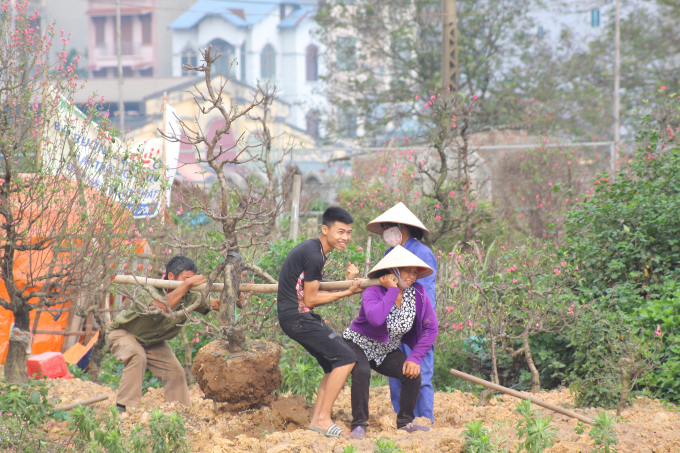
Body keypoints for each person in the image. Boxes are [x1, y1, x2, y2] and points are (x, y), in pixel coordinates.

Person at [277, 206, 364, 438]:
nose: (345, 237)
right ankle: (324, 419)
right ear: (325, 229)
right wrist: (349, 292)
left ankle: (317, 420)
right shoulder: (315, 254)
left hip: (297, 316)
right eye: (340, 231)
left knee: (332, 363)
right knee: (346, 358)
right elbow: (311, 298)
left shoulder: (315, 250)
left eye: (348, 232)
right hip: (297, 316)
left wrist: (347, 284)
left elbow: (312, 290)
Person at [343, 245, 438, 439]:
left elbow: (431, 327)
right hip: (358, 343)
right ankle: (359, 425)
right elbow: (376, 319)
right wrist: (392, 291)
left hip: (386, 350)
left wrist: (415, 357)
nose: (412, 277)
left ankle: (405, 422)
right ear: (393, 271)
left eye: (414, 272)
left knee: (411, 372)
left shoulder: (418, 293)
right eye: (406, 271)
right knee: (361, 371)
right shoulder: (373, 291)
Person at [106, 255, 219, 413]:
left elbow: (213, 304)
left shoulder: (189, 294)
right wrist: (186, 284)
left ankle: (180, 413)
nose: (190, 284)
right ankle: (125, 409)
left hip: (153, 342)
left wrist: (233, 301)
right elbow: (161, 306)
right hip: (124, 334)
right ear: (171, 276)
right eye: (186, 279)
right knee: (137, 356)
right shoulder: (149, 290)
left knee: (175, 372)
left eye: (192, 281)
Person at [366, 202, 438, 425]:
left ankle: (425, 420)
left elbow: (426, 297)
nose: (387, 231)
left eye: (390, 226)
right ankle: (405, 422)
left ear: (403, 227)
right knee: (398, 376)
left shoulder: (423, 254)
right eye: (386, 226)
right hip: (394, 327)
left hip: (415, 326)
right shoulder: (390, 253)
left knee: (420, 374)